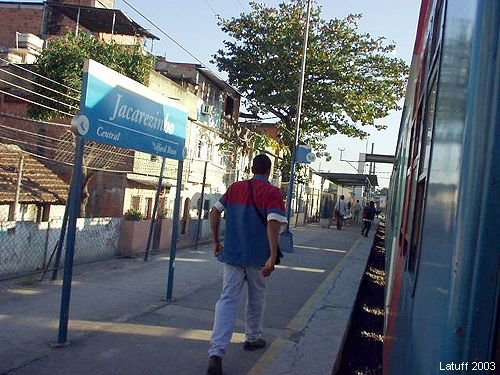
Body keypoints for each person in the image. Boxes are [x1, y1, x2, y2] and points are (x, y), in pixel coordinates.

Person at [207, 154, 287, 375]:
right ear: (269, 171)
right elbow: (273, 223)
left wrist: (215, 241)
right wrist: (272, 255)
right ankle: (252, 338)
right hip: (257, 259)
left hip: (232, 256)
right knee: (256, 298)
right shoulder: (273, 193)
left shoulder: (235, 188)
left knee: (227, 300)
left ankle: (216, 352)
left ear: (251, 168)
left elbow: (214, 211)